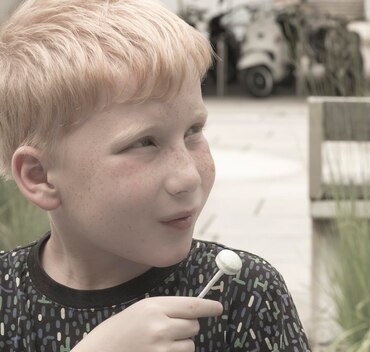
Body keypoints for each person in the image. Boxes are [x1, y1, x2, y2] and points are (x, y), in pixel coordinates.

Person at [0, 0, 311, 351]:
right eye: (144, 143)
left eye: (193, 130)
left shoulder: (244, 297)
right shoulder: (6, 302)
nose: (188, 177)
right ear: (40, 176)